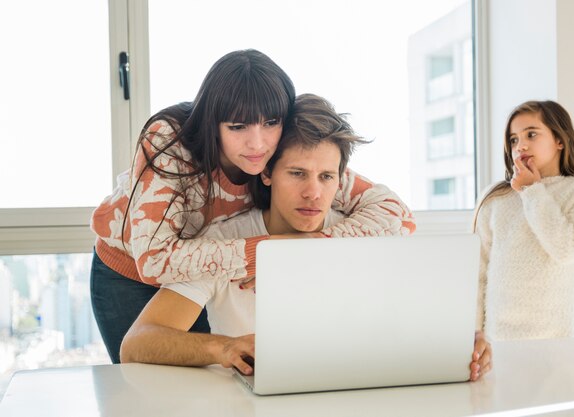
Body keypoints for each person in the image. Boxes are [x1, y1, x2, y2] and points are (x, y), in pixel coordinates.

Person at [120, 93, 491, 381]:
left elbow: (411, 313)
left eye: (327, 177)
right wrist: (224, 347)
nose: (314, 193)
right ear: (265, 174)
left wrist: (459, 339)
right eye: (297, 174)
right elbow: (138, 342)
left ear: (341, 179)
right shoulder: (226, 242)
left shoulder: (360, 235)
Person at [90, 50, 416, 364]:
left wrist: (311, 249)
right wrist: (269, 254)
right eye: (237, 127)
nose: (257, 144)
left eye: (270, 123)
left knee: (218, 370)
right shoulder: (171, 142)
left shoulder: (280, 150)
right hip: (129, 270)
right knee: (151, 381)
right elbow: (154, 261)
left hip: (204, 269)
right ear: (213, 121)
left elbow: (396, 215)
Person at [473, 100, 574, 341]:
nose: (520, 145)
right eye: (513, 139)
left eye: (531, 134)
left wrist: (532, 190)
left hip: (564, 344)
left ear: (560, 140)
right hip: (501, 343)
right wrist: (475, 335)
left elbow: (566, 248)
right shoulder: (496, 198)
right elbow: (478, 273)